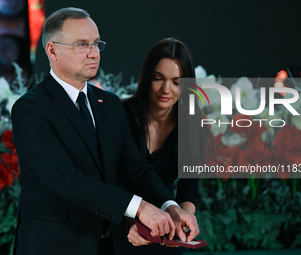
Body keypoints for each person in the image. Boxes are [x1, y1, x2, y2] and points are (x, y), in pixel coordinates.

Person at [11, 8, 199, 255]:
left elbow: (135, 167)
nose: (93, 53)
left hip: (110, 246)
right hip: (54, 245)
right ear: (52, 50)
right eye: (81, 45)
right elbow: (67, 180)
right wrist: (140, 207)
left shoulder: (109, 104)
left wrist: (170, 205)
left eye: (96, 44)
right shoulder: (30, 108)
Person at [114, 38, 211, 254]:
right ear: (147, 78)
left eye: (177, 82)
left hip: (164, 232)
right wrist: (130, 223)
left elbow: (189, 190)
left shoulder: (193, 126)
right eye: (158, 79)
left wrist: (183, 221)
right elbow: (107, 182)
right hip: (120, 224)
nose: (166, 89)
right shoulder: (120, 115)